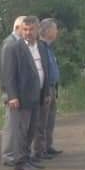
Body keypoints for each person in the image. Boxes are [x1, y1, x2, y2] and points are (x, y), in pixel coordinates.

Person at [0, 15, 49, 170]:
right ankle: (19, 161)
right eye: (24, 29)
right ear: (19, 29)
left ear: (37, 30)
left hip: (35, 95)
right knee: (19, 130)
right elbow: (8, 74)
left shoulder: (35, 46)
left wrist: (45, 92)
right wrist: (12, 96)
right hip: (20, 96)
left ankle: (26, 158)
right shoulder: (12, 46)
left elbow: (41, 70)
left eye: (31, 29)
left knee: (30, 130)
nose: (27, 32)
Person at [33, 18, 62, 159]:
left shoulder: (48, 48)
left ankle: (47, 146)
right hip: (44, 88)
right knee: (42, 120)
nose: (57, 31)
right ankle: (39, 150)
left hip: (52, 87)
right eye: (55, 28)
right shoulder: (40, 47)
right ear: (47, 30)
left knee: (50, 119)